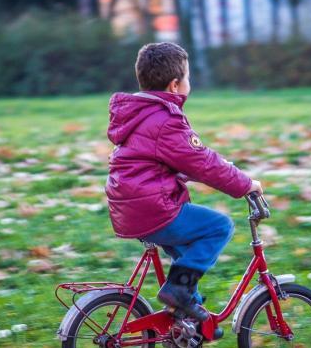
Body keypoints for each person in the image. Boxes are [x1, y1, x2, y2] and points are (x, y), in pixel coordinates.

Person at [105, 42, 262, 321]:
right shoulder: (166, 120)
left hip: (130, 209)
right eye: (188, 78)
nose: (190, 83)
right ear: (175, 85)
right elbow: (202, 163)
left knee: (185, 256)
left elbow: (171, 160)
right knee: (218, 226)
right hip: (155, 209)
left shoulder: (138, 115)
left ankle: (188, 314)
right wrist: (245, 184)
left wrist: (223, 167)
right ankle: (178, 293)